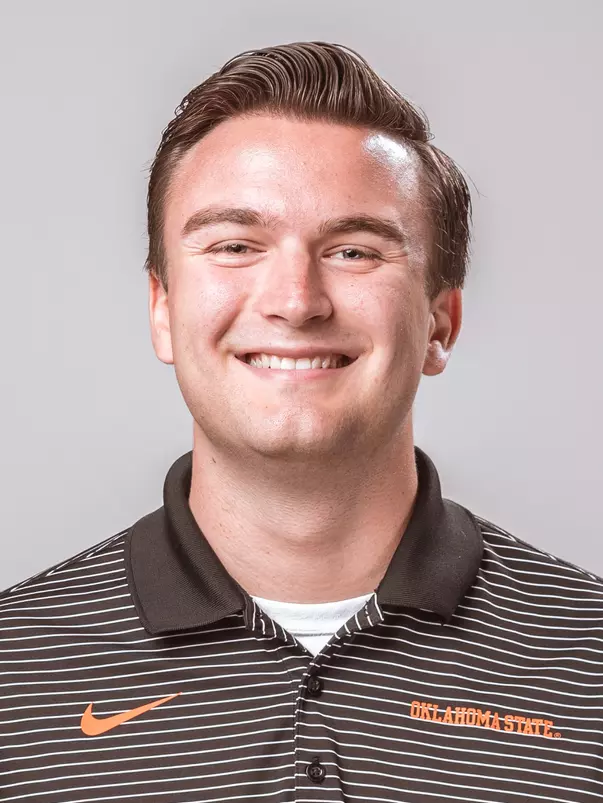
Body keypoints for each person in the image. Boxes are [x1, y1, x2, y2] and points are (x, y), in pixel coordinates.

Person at [1, 40, 601, 803]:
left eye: (352, 250)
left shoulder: (591, 661)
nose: (295, 299)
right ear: (161, 308)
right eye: (235, 246)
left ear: (439, 322)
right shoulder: (12, 669)